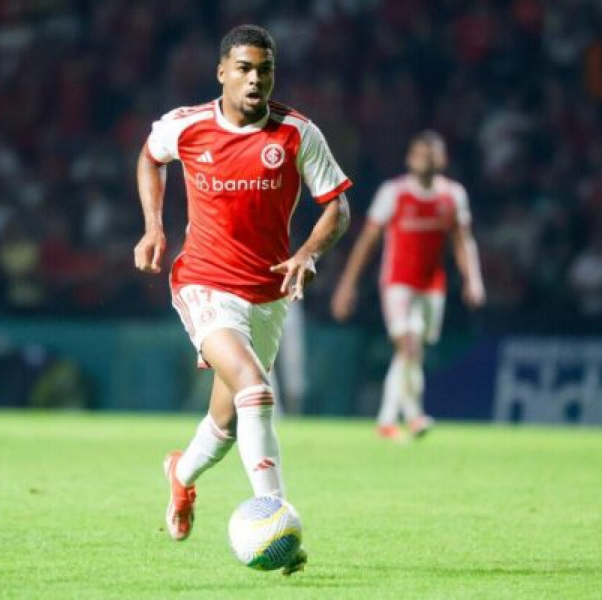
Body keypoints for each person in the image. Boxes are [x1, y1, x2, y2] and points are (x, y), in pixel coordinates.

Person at [133, 24, 351, 575]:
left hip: (268, 294)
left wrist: (308, 253)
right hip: (203, 283)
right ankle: (277, 518)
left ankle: (181, 475)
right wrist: (154, 226)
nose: (256, 79)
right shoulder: (188, 126)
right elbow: (150, 157)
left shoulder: (297, 134)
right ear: (222, 73)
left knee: (227, 424)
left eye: (265, 70)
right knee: (255, 389)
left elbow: (338, 206)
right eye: (245, 69)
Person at [331, 131, 485, 441]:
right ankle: (406, 417)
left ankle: (396, 418)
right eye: (419, 153)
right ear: (409, 158)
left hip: (432, 286)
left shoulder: (453, 195)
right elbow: (368, 241)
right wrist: (347, 285)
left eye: (431, 153)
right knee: (409, 346)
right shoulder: (394, 192)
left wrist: (473, 279)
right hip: (397, 283)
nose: (425, 159)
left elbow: (462, 240)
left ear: (442, 159)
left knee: (412, 353)